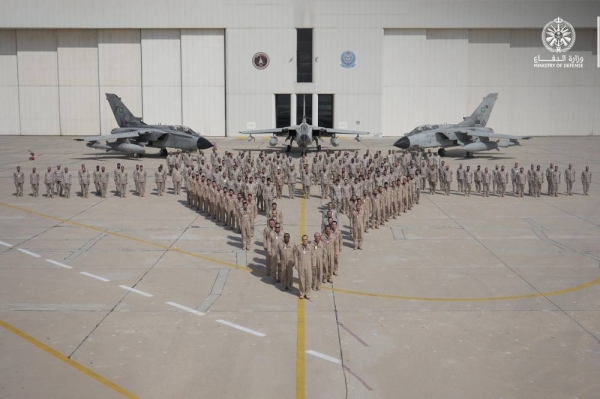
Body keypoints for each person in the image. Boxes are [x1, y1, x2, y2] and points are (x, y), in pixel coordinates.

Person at [295, 234, 313, 299]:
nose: (304, 240)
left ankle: (307, 293)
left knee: (308, 279)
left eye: (306, 239)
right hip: (301, 264)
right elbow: (296, 256)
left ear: (307, 240)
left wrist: (313, 264)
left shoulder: (310, 247)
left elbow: (313, 256)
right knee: (301, 279)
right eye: (303, 239)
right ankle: (302, 293)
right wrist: (296, 264)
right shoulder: (298, 247)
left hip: (308, 265)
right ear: (302, 240)